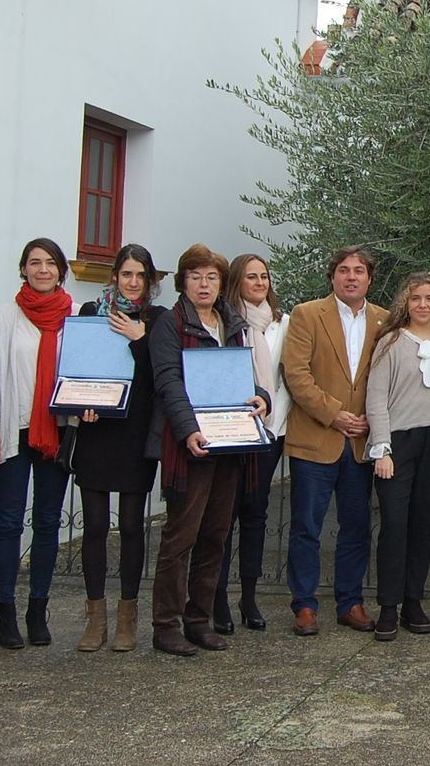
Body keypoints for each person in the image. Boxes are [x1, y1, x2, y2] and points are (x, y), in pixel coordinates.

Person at [146, 244, 269, 656]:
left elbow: (240, 378)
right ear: (183, 281)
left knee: (216, 535)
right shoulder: (170, 324)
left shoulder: (230, 321)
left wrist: (261, 397)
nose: (204, 284)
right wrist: (187, 431)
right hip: (192, 447)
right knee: (181, 536)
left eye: (212, 277)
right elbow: (168, 381)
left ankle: (198, 620)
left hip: (230, 445)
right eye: (196, 276)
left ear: (221, 283)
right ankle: (165, 626)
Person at [281, 246, 389, 636]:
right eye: (344, 270)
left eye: (359, 271)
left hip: (362, 443)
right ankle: (305, 605)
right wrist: (333, 414)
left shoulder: (385, 320)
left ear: (369, 278)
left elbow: (388, 379)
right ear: (332, 277)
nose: (351, 277)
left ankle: (350, 602)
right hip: (316, 438)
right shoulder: (307, 314)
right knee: (306, 526)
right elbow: (296, 374)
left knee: (357, 527)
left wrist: (371, 423)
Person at [0, 237, 78, 649]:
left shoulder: (74, 316)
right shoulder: (5, 316)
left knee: (46, 523)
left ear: (61, 270)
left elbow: (84, 372)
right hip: (14, 429)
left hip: (55, 431)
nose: (42, 270)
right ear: (23, 269)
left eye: (50, 263)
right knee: (7, 522)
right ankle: (5, 610)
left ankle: (37, 609)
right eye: (34, 263)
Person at [72, 243, 166, 653]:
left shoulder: (158, 320)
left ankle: (128, 617)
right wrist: (82, 405)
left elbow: (160, 376)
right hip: (97, 432)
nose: (132, 282)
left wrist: (140, 338)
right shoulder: (91, 314)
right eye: (126, 274)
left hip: (135, 433)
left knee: (130, 526)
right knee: (93, 527)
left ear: (149, 281)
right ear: (114, 277)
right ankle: (96, 619)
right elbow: (78, 368)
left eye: (139, 275)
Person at [364, 273, 430, 640]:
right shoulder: (391, 342)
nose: (423, 304)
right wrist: (382, 448)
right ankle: (388, 606)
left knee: (422, 525)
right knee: (394, 525)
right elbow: (376, 399)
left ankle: (413, 602)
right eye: (416, 298)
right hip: (397, 444)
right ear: (405, 302)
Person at [213, 253, 291, 634]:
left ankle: (249, 595)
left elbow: (287, 378)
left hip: (270, 432)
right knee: (224, 516)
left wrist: (275, 418)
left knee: (256, 514)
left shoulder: (283, 323)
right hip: (230, 433)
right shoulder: (225, 320)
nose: (260, 283)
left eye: (264, 276)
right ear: (237, 282)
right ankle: (217, 598)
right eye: (251, 277)